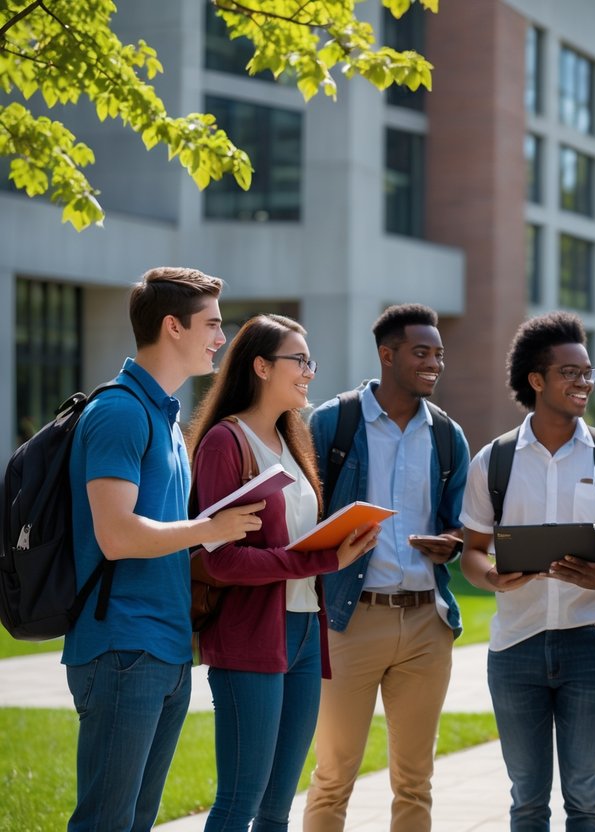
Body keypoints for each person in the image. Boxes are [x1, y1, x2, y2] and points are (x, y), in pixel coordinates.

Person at [63, 267, 265, 831]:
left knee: (135, 822)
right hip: (123, 647)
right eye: (212, 325)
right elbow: (116, 535)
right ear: (173, 326)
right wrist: (209, 528)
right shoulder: (121, 412)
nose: (221, 338)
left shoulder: (166, 418)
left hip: (165, 649)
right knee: (105, 823)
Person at [189, 315, 381, 831]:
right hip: (249, 635)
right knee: (239, 803)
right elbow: (219, 559)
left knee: (277, 810)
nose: (309, 372)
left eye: (309, 361)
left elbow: (292, 538)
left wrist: (337, 540)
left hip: (304, 633)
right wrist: (325, 560)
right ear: (261, 366)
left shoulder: (292, 439)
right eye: (299, 360)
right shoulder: (224, 442)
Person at [459, 311, 595, 831]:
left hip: (590, 644)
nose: (583, 381)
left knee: (585, 798)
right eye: (570, 372)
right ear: (536, 380)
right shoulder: (494, 461)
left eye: (587, 372)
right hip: (515, 647)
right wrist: (492, 577)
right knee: (527, 800)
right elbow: (471, 552)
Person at [304, 304, 471, 832]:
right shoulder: (333, 423)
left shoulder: (447, 435)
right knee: (333, 775)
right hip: (348, 621)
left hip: (426, 624)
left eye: (439, 354)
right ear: (387, 354)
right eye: (421, 353)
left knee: (416, 780)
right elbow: (304, 519)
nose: (434, 364)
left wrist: (451, 543)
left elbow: (461, 524)